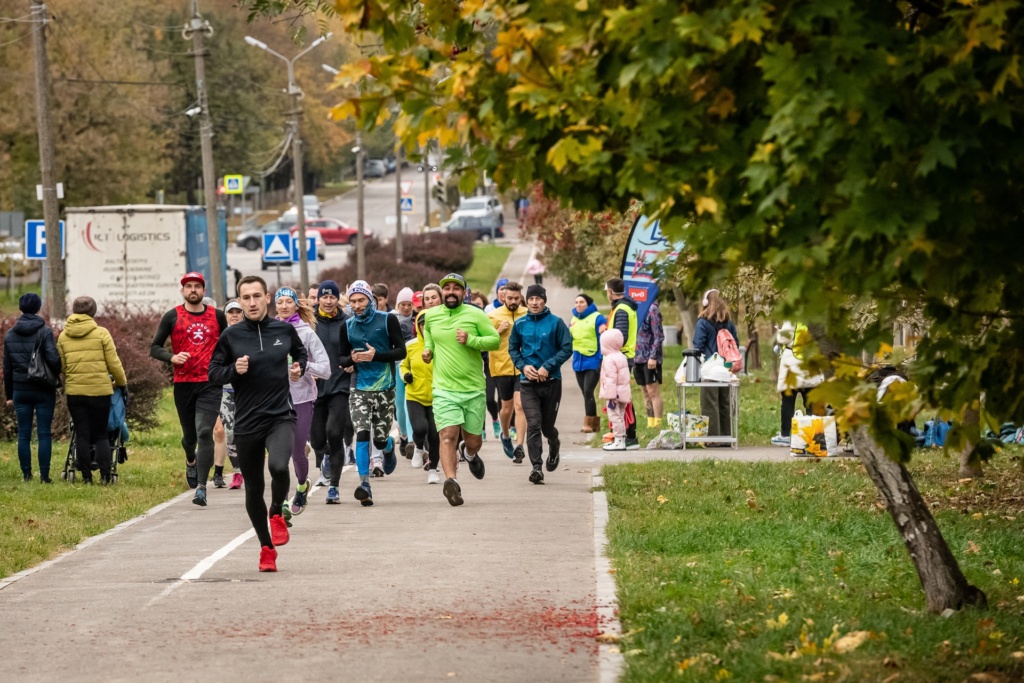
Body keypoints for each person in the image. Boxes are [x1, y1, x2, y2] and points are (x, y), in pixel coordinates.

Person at [208, 275, 307, 573]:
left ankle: (277, 512)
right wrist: (233, 371)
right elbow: (214, 372)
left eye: (256, 296)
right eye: (245, 297)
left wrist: (297, 368)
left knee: (278, 467)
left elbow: (300, 353)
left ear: (267, 298)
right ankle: (266, 548)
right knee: (254, 488)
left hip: (281, 415)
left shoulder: (284, 329)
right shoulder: (231, 336)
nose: (251, 302)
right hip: (248, 421)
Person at [421, 273, 500, 506]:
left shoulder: (476, 314)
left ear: (464, 293)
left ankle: (470, 454)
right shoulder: (431, 316)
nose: (451, 292)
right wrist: (428, 351)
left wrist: (472, 340)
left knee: (473, 439)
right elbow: (429, 339)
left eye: (457, 288)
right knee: (447, 436)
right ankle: (451, 482)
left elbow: (494, 340)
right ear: (442, 292)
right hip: (444, 389)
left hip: (473, 389)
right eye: (447, 289)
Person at [150, 272, 228, 505]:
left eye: (197, 286)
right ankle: (190, 460)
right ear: (183, 291)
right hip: (184, 383)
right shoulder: (172, 316)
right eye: (188, 286)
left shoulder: (217, 316)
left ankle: (202, 487)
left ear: (204, 291)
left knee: (205, 432)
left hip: (210, 382)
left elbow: (229, 343)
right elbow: (154, 348)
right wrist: (171, 357)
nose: (193, 290)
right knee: (189, 437)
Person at [338, 280, 407, 506]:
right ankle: (364, 484)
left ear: (371, 300)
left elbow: (401, 352)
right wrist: (352, 359)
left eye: (361, 300)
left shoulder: (387, 320)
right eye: (353, 301)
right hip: (359, 387)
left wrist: (376, 356)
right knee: (362, 433)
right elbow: (341, 358)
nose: (357, 305)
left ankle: (387, 446)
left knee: (378, 439)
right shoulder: (347, 326)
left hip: (385, 387)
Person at [57, 296, 128, 485]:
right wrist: (122, 383)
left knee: (82, 434)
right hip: (100, 391)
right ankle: (105, 476)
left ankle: (86, 477)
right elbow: (114, 363)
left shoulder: (64, 335)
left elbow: (62, 366)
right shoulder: (102, 333)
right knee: (101, 435)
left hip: (75, 392)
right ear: (93, 312)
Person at [508, 284, 573, 484]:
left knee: (547, 427)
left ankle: (554, 444)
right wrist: (523, 367)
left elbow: (567, 348)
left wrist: (547, 366)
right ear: (526, 301)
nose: (534, 303)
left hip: (551, 382)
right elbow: (513, 349)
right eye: (531, 299)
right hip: (528, 384)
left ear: (544, 300)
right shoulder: (520, 325)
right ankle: (536, 467)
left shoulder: (556, 323)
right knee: (533, 424)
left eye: (538, 299)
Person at [276, 287, 330, 516]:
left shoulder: (307, 333)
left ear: (296, 305)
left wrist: (304, 367)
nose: (285, 306)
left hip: (302, 398)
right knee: (280, 453)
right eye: (281, 302)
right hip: (275, 400)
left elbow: (326, 369)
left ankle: (301, 485)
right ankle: (282, 502)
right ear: (275, 306)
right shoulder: (270, 331)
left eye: (289, 301)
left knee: (297, 451)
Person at [4, 293, 61, 482]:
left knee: (24, 433)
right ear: (38, 308)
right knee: (44, 432)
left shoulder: (10, 334)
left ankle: (26, 475)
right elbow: (53, 359)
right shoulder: (44, 331)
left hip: (20, 389)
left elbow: (7, 367)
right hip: (43, 388)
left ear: (21, 308)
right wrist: (57, 371)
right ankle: (44, 476)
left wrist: (9, 394)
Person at [309, 281, 355, 504]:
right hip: (315, 389)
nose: (328, 301)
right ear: (318, 298)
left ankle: (334, 487)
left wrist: (353, 362)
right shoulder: (310, 322)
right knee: (317, 440)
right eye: (324, 297)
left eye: (332, 297)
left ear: (338, 299)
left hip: (339, 386)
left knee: (334, 433)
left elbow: (357, 348)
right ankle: (327, 455)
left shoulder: (347, 322)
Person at [691, 288, 740, 441]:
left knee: (710, 404)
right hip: (727, 370)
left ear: (705, 303)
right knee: (725, 404)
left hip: (710, 370)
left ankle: (713, 439)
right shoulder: (729, 323)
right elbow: (736, 343)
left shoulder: (703, 323)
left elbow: (698, 346)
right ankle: (727, 438)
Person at [488, 281, 528, 462]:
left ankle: (519, 445)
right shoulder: (494, 316)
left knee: (520, 406)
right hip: (501, 366)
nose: (513, 301)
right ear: (503, 297)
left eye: (516, 298)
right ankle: (505, 434)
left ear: (521, 297)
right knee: (506, 408)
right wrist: (498, 330)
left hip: (522, 367)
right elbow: (486, 341)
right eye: (510, 298)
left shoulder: (527, 314)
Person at [401, 312, 441, 482]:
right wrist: (406, 376)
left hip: (437, 396)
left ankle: (433, 469)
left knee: (434, 434)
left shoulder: (440, 345)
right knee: (419, 428)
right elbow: (403, 365)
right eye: (423, 325)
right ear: (418, 326)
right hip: (414, 395)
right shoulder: (410, 346)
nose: (427, 328)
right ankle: (418, 447)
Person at [771, 322, 824, 446]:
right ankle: (813, 434)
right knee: (810, 402)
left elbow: (784, 338)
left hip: (792, 366)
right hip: (809, 364)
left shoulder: (792, 318)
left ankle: (785, 435)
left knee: (788, 402)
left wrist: (779, 333)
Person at [605, 277, 640, 449]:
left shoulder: (621, 310)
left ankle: (628, 435)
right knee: (622, 398)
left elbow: (621, 336)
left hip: (621, 357)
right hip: (624, 356)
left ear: (610, 291)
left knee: (619, 399)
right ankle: (626, 435)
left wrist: (605, 336)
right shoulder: (625, 307)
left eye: (607, 291)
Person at [217, 300, 245, 489]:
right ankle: (237, 471)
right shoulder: (221, 337)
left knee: (250, 431)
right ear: (225, 315)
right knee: (229, 433)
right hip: (227, 391)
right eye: (231, 312)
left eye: (238, 311)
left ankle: (249, 468)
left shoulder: (249, 333)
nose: (234, 315)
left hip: (250, 391)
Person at [569, 293, 606, 434]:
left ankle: (588, 424)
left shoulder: (597, 317)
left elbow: (603, 337)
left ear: (588, 304)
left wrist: (601, 359)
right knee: (585, 394)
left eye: (581, 302)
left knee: (588, 391)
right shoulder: (573, 319)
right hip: (578, 361)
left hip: (593, 360)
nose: (578, 305)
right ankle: (595, 425)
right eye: (576, 302)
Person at [634, 297, 665, 430]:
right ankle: (650, 422)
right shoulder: (636, 309)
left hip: (649, 358)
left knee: (653, 391)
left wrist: (653, 357)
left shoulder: (652, 309)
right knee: (645, 391)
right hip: (637, 357)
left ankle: (658, 423)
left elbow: (658, 336)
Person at [598, 329, 631, 451]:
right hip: (622, 392)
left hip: (614, 394)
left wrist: (611, 396)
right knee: (620, 416)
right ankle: (621, 439)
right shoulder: (621, 356)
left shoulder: (609, 359)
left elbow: (610, 379)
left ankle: (618, 441)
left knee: (614, 416)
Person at [394, 287, 417, 456]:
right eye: (403, 304)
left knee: (410, 403)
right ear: (397, 304)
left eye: (409, 304)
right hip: (396, 366)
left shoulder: (419, 320)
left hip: (414, 366)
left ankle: (411, 439)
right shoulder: (391, 319)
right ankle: (403, 434)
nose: (406, 307)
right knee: (399, 405)